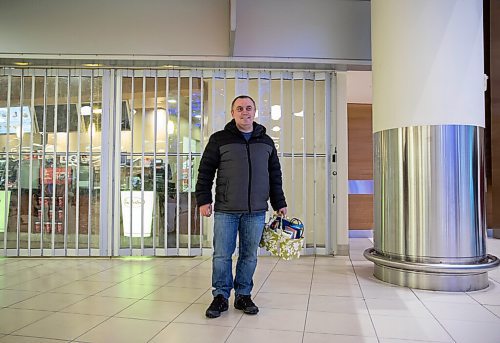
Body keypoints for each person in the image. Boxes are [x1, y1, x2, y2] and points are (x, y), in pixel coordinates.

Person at [196, 95, 287, 318]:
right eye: (239, 108)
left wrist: (279, 202)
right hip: (226, 209)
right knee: (222, 255)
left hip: (256, 210)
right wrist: (203, 199)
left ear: (254, 111)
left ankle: (243, 295)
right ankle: (220, 296)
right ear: (232, 113)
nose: (244, 112)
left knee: (249, 255)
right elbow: (205, 172)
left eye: (249, 108)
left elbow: (274, 174)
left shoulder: (266, 142)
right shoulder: (219, 139)